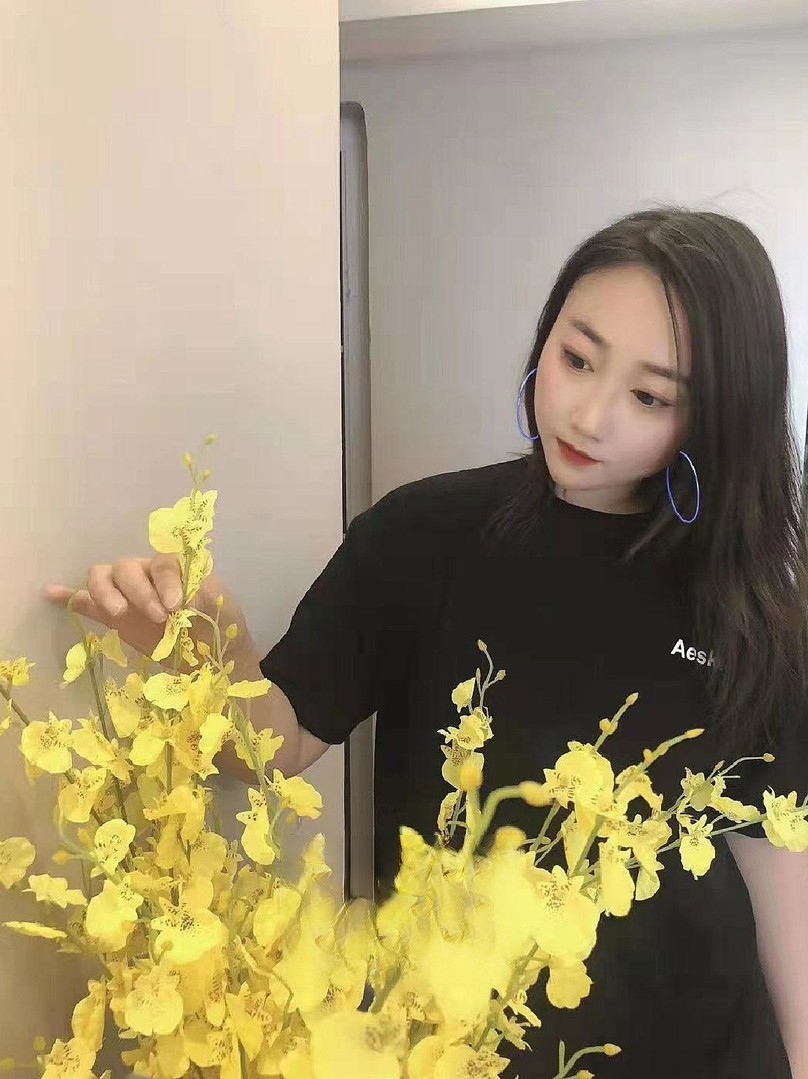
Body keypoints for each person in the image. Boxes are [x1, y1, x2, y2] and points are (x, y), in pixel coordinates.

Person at [45, 208, 808, 1078]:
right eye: (576, 358)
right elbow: (276, 744)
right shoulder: (422, 535)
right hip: (454, 1049)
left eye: (649, 397)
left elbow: (776, 850)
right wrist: (208, 652)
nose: (590, 414)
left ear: (715, 417)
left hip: (705, 1050)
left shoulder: (747, 600)